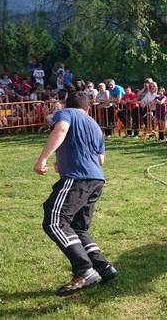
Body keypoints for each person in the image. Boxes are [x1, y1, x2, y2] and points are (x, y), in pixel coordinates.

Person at [33, 92, 117, 296]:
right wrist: (64, 161)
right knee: (78, 227)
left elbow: (61, 129)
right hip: (96, 179)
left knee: (54, 220)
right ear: (88, 108)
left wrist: (43, 159)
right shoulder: (96, 126)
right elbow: (100, 160)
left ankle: (84, 270)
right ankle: (103, 267)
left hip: (78, 177)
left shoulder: (66, 113)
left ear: (66, 105)